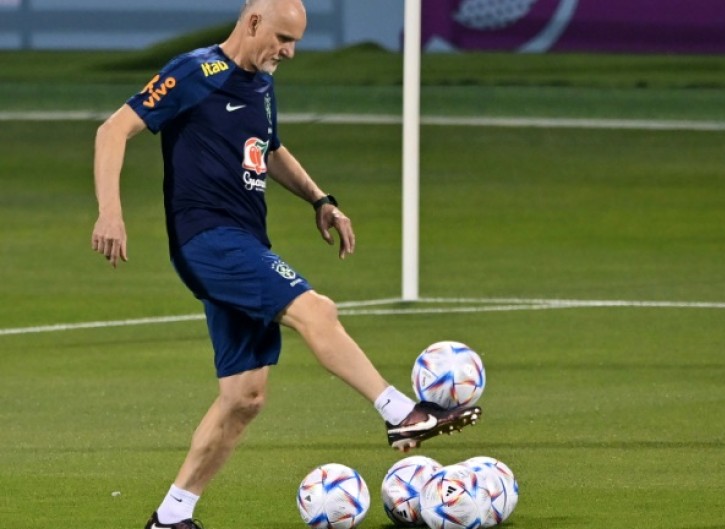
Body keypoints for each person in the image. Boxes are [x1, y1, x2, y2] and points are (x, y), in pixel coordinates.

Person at [91, 1, 482, 528]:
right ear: (252, 22)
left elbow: (269, 149)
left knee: (244, 397)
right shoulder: (195, 71)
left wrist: (320, 200)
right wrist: (110, 213)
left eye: (295, 42)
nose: (289, 52)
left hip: (245, 240)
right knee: (316, 311)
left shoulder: (261, 86)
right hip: (209, 240)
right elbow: (112, 130)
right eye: (282, 38)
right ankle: (399, 412)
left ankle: (170, 517)